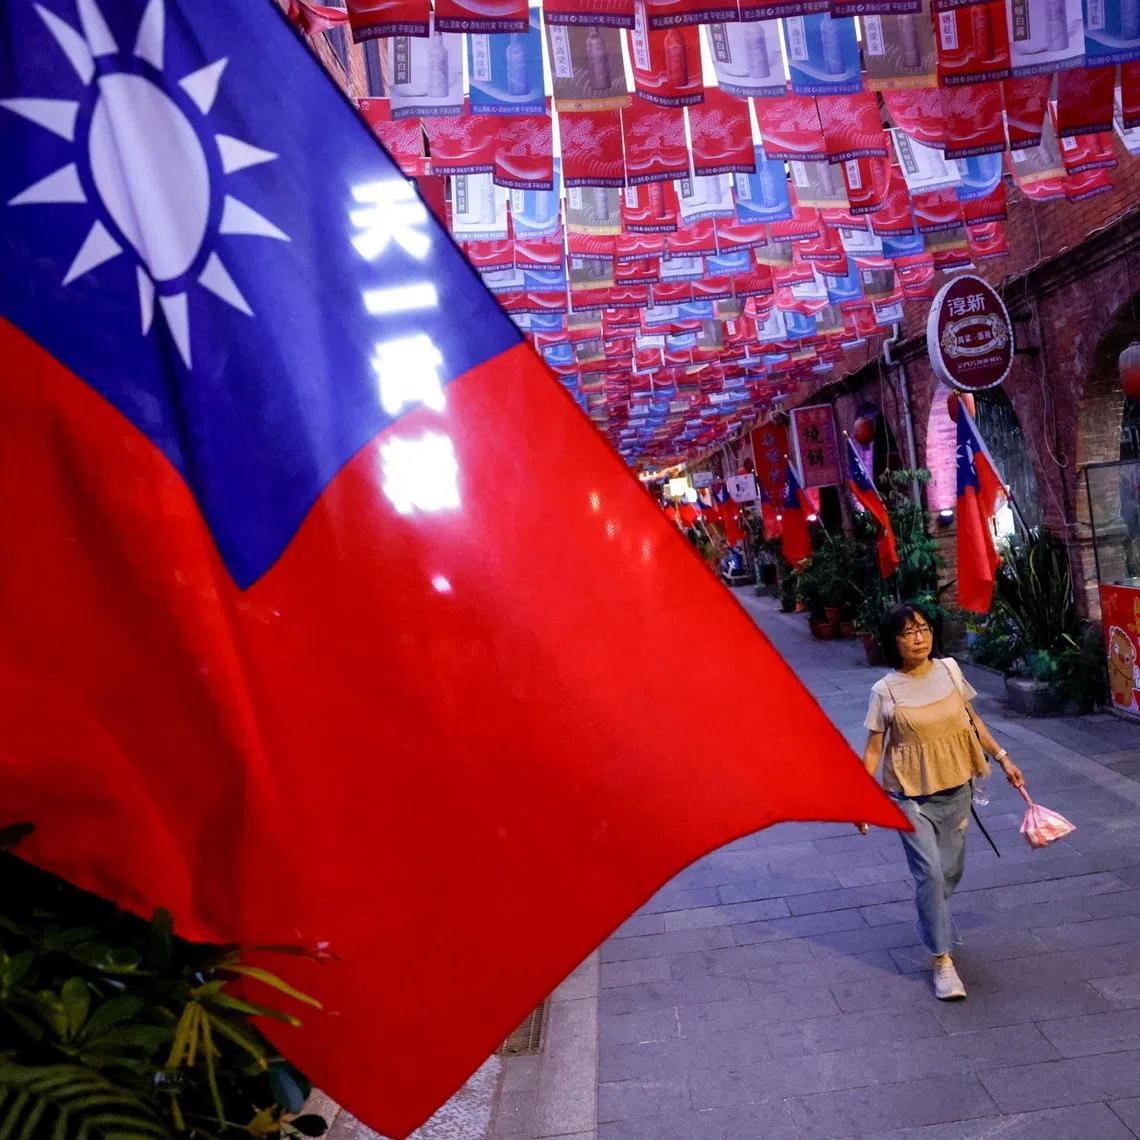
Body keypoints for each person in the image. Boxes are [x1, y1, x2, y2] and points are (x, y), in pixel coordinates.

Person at [858, 604, 1023, 1001]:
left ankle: (931, 917)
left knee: (949, 874)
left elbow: (974, 721)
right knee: (930, 874)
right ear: (892, 643)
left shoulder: (950, 670)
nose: (919, 637)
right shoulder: (885, 690)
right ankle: (943, 961)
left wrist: (1004, 759)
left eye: (924, 628)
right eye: (908, 632)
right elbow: (873, 750)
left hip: (957, 790)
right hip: (909, 796)